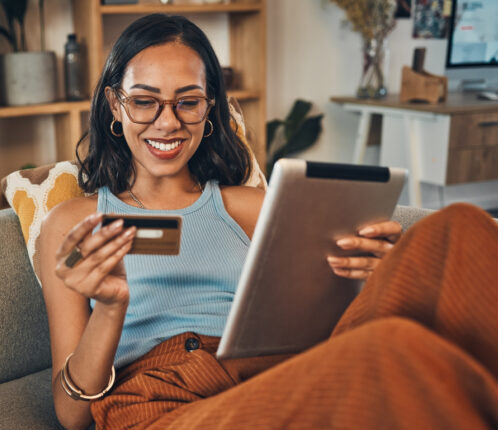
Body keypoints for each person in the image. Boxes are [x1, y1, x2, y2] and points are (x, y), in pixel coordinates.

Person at [39, 14, 498, 430]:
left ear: (209, 108)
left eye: (188, 102)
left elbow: (318, 313)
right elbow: (72, 414)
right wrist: (114, 308)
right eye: (144, 101)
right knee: (388, 348)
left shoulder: (252, 206)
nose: (167, 122)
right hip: (161, 399)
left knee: (462, 228)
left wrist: (383, 273)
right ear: (115, 105)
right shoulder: (75, 222)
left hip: (270, 370)